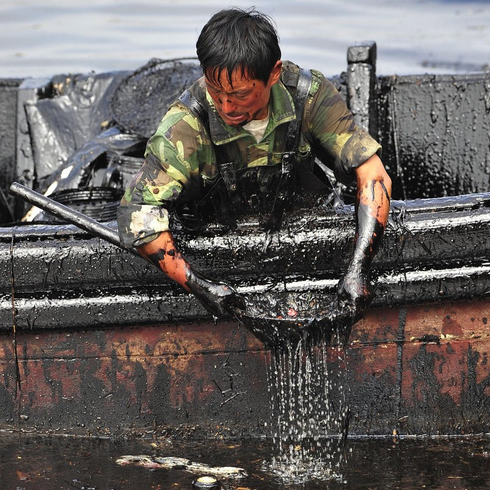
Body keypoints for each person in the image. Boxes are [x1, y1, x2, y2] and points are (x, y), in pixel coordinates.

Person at [117, 7, 392, 321]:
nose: (226, 106)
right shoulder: (185, 126)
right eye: (215, 91)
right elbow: (138, 213)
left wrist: (358, 270)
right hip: (218, 250)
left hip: (306, 235)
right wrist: (198, 286)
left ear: (273, 74)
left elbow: (373, 173)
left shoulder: (309, 97)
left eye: (240, 94)